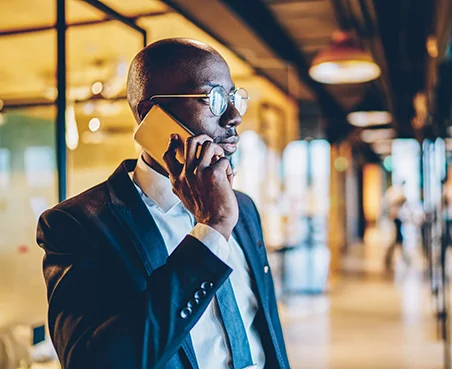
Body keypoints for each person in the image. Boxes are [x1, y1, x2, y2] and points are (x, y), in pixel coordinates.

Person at [36, 39, 290, 369]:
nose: (233, 116)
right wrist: (210, 232)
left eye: (233, 97)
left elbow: (264, 330)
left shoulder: (243, 207)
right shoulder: (77, 225)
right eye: (212, 98)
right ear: (150, 113)